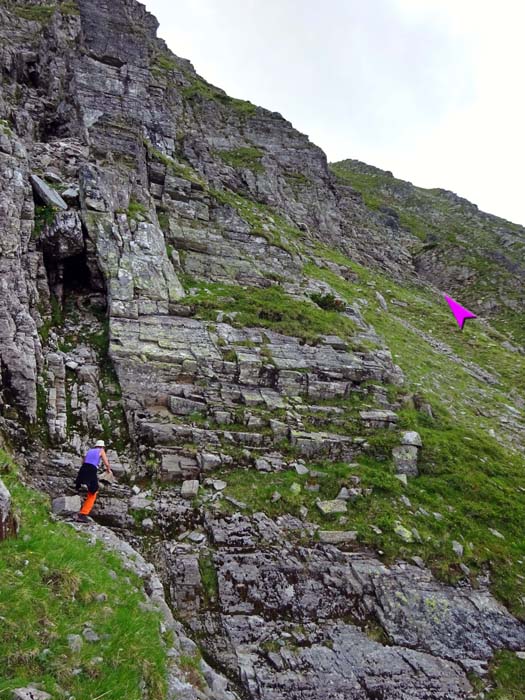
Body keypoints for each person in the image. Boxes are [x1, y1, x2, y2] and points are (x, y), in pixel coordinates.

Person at [74, 439, 112, 523]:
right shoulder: (101, 450)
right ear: (103, 447)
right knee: (93, 492)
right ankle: (82, 514)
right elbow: (106, 462)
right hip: (91, 470)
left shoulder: (90, 451)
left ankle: (74, 508)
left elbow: (84, 461)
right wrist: (108, 470)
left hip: (83, 469)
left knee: (79, 486)